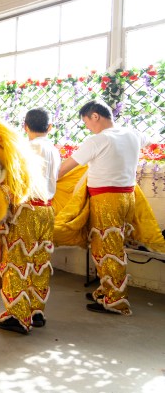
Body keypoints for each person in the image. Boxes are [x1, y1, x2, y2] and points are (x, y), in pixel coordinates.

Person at [58, 100, 148, 315]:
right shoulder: (133, 134)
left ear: (95, 116)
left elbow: (65, 168)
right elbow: (144, 141)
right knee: (112, 247)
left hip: (107, 200)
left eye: (86, 121)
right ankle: (107, 290)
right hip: (127, 198)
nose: (87, 126)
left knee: (108, 249)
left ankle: (116, 300)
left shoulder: (97, 140)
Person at [0, 108, 60, 334]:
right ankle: (36, 311)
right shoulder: (54, 150)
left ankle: (17, 316)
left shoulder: (24, 150)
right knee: (39, 262)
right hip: (47, 211)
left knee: (16, 262)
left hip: (26, 211)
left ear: (25, 126)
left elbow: (11, 184)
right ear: (49, 128)